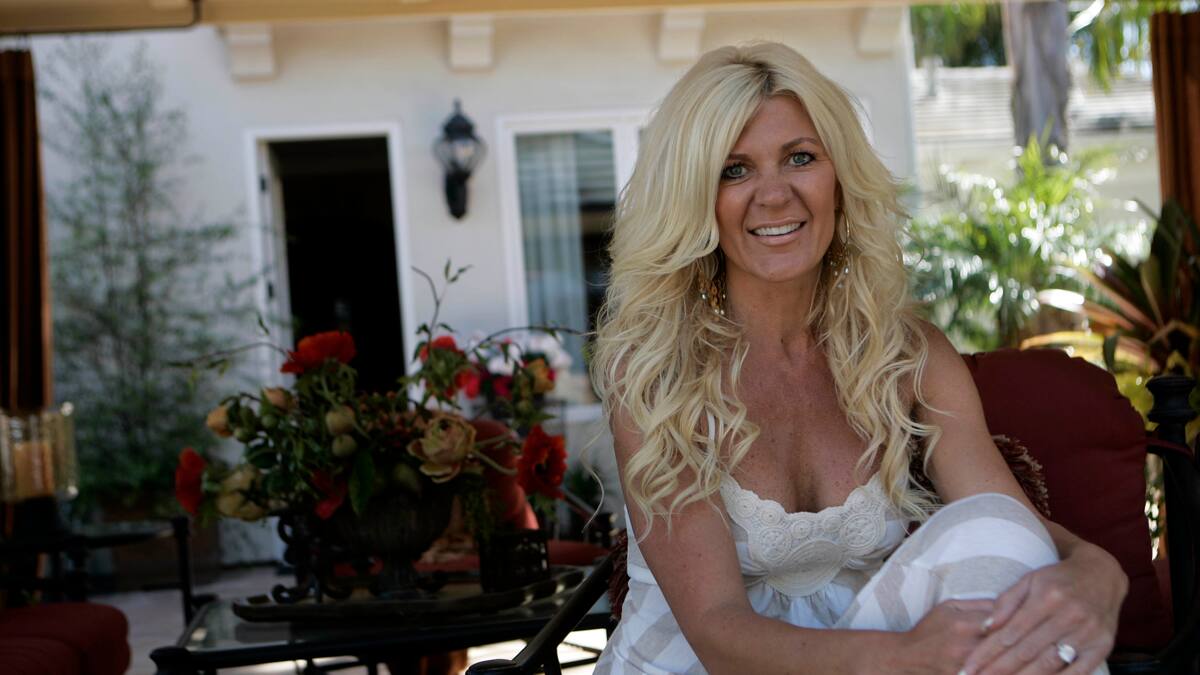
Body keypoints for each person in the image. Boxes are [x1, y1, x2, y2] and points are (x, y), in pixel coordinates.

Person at [589, 42, 1126, 675]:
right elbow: (717, 633)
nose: (774, 195)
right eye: (734, 170)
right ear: (695, 199)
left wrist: (1098, 576)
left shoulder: (904, 356)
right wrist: (907, 656)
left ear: (840, 181)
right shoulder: (658, 374)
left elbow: (1006, 527)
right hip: (709, 668)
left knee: (998, 539)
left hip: (874, 657)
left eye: (800, 157)